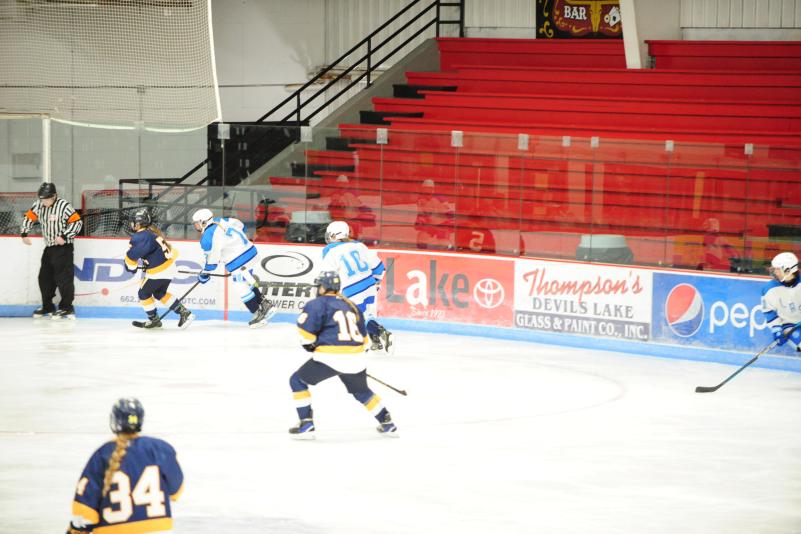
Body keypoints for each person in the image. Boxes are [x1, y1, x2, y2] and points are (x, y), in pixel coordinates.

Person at [289, 270, 398, 438]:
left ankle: (306, 423)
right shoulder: (351, 305)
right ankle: (386, 421)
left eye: (319, 285)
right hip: (356, 358)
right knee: (361, 392)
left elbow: (306, 334)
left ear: (324, 287)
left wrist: (310, 346)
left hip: (329, 357)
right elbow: (365, 340)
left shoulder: (316, 304)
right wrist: (352, 357)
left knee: (297, 380)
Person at [66, 398, 184, 533]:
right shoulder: (160, 449)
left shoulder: (102, 455)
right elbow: (176, 490)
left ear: (115, 421)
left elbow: (85, 511)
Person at [192, 208, 275, 328]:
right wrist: (233, 241)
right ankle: (265, 304)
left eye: (196, 223)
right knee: (246, 280)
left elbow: (212, 262)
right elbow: (240, 225)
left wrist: (204, 274)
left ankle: (258, 314)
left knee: (240, 286)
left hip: (239, 260)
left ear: (203, 222)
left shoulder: (207, 237)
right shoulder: (220, 220)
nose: (195, 226)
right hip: (251, 252)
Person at [320, 220, 393, 352]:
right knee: (363, 315)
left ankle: (366, 340)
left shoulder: (329, 250)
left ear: (334, 235)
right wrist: (375, 283)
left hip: (351, 289)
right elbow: (379, 268)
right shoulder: (360, 245)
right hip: (369, 285)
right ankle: (378, 337)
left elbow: (328, 276)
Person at [124, 208, 194, 329]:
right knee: (159, 293)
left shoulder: (140, 236)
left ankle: (154, 320)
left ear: (139, 223)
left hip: (158, 271)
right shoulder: (152, 232)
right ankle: (184, 313)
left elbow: (132, 257)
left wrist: (131, 267)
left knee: (143, 293)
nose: (131, 224)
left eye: (133, 221)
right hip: (169, 267)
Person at [21, 182, 82, 319]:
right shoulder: (39, 204)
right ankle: (47, 306)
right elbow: (29, 217)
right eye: (42, 198)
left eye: (46, 199)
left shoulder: (64, 206)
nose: (44, 201)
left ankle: (67, 308)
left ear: (54, 196)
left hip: (63, 248)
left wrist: (65, 236)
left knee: (63, 278)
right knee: (44, 278)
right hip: (49, 248)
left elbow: (77, 222)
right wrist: (24, 233)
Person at [761, 251, 801, 351]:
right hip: (790, 326)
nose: (775, 272)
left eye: (778, 269)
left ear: (788, 271)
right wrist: (777, 330)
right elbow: (769, 312)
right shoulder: (769, 289)